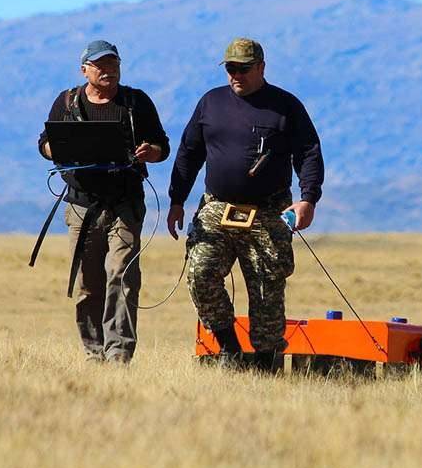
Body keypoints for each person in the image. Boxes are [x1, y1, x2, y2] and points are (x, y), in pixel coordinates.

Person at [167, 37, 324, 371]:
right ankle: (230, 350)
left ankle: (266, 366)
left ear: (261, 68)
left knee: (267, 290)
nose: (235, 75)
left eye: (243, 69)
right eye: (230, 69)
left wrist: (307, 198)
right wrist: (176, 199)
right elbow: (188, 153)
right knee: (200, 273)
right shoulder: (211, 103)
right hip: (217, 208)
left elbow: (309, 152)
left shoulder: (285, 106)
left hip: (268, 211)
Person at [38, 40, 169, 364]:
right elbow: (44, 144)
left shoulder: (136, 103)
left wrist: (150, 152)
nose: (108, 70)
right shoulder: (67, 103)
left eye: (113, 64)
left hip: (124, 204)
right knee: (87, 283)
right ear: (85, 70)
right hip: (82, 206)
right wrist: (61, 150)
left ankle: (119, 354)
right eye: (100, 65)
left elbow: (162, 147)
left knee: (122, 274)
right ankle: (94, 352)